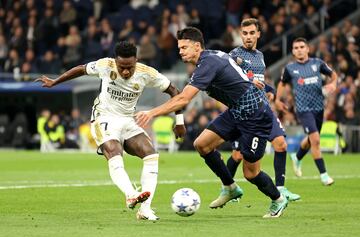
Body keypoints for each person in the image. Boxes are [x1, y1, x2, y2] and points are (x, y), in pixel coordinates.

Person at [136, 27, 288, 218]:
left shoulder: (208, 63)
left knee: (250, 173)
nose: (180, 51)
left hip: (256, 116)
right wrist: (253, 81)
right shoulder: (210, 59)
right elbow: (239, 67)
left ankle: (278, 199)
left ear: (197, 46)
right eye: (179, 47)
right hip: (236, 111)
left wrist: (152, 113)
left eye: (184, 47)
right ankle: (230, 187)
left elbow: (183, 99)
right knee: (202, 144)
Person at [36, 41, 185, 221]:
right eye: (121, 67)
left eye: (130, 67)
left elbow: (176, 92)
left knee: (151, 154)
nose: (125, 72)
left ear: (137, 61)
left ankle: (145, 209)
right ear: (115, 61)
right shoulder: (105, 65)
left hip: (128, 120)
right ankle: (130, 194)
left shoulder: (147, 73)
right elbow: (81, 69)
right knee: (114, 152)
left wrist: (179, 121)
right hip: (103, 117)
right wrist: (55, 82)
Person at [223, 18, 300, 201]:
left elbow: (259, 81)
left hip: (262, 109)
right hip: (242, 112)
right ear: (240, 35)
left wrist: (271, 92)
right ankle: (228, 188)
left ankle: (280, 189)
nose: (248, 37)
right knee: (238, 155)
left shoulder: (260, 56)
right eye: (244, 33)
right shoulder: (234, 55)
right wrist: (250, 82)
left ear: (258, 34)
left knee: (281, 144)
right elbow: (229, 80)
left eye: (251, 33)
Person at [276, 37, 337, 186]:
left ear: (308, 49)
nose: (299, 50)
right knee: (315, 140)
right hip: (303, 109)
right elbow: (282, 83)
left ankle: (297, 157)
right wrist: (278, 100)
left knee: (311, 140)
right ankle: (324, 175)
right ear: (293, 51)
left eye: (302, 47)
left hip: (318, 108)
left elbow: (333, 74)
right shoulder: (290, 68)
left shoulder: (318, 64)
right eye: (296, 48)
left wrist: (333, 84)